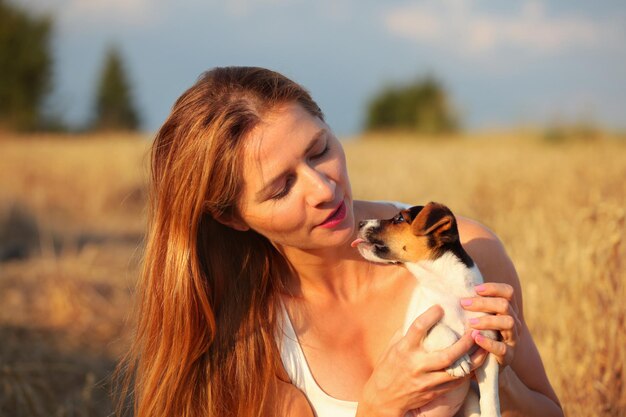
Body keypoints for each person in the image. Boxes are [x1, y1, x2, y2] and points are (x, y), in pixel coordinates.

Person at [120, 66, 563, 417]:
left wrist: (497, 378)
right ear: (232, 218)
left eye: (319, 150)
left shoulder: (469, 252)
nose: (323, 189)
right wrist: (377, 409)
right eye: (281, 188)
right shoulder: (247, 336)